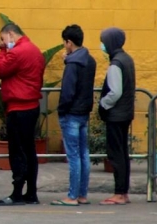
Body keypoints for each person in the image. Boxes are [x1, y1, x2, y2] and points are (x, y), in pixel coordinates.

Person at [0, 23, 45, 206]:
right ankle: (31, 193)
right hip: (31, 106)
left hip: (18, 108)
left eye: (4, 39)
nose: (4, 42)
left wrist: (1, 51)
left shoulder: (17, 52)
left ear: (11, 34)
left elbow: (0, 70)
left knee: (17, 152)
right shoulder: (35, 51)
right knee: (29, 151)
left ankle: (17, 193)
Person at [51, 24, 96, 207]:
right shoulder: (89, 60)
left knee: (74, 156)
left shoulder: (72, 64)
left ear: (69, 42)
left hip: (71, 114)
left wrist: (61, 110)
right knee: (84, 154)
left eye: (65, 43)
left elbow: (68, 92)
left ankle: (72, 196)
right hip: (84, 112)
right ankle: (82, 194)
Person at [98, 27, 136, 206]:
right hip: (126, 113)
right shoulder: (127, 59)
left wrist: (103, 104)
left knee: (116, 154)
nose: (102, 45)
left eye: (104, 42)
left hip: (116, 115)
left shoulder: (115, 64)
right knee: (123, 153)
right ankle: (123, 192)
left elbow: (115, 92)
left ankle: (119, 193)